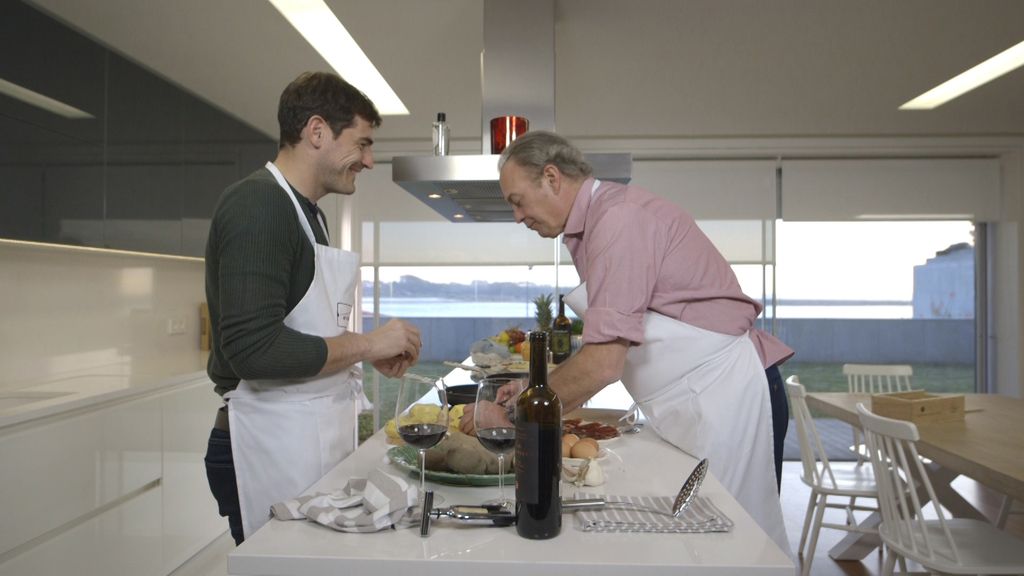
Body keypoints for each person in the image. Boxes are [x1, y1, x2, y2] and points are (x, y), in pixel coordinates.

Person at [491, 130, 793, 551]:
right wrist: (528, 389)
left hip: (730, 395)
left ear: (552, 177)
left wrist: (511, 417)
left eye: (517, 200)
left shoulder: (619, 220)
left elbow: (603, 363)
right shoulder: (597, 224)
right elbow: (609, 341)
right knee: (703, 544)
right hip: (698, 399)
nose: (518, 217)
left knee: (735, 547)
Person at [203, 71, 422, 544]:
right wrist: (366, 343)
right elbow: (253, 350)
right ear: (317, 131)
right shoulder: (258, 204)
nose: (369, 159)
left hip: (304, 441)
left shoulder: (310, 215)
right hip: (267, 443)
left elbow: (305, 328)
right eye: (362, 144)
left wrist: (363, 353)